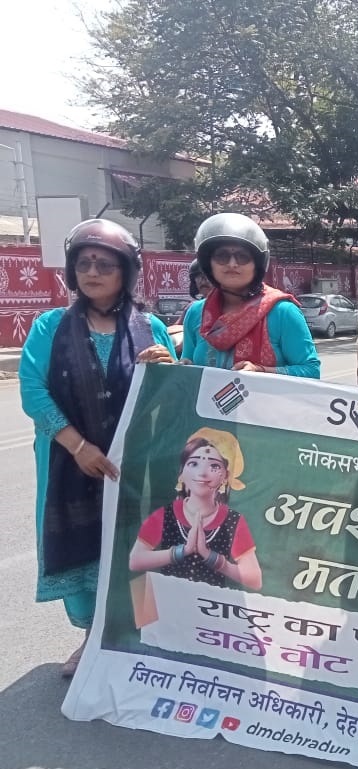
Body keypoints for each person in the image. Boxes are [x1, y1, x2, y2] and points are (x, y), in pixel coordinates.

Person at [19, 219, 177, 677]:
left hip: (136, 467)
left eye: (105, 264)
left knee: (138, 545)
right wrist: (78, 446)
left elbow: (174, 399)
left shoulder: (150, 328)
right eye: (84, 263)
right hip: (69, 462)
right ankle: (91, 638)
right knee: (83, 547)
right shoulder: (50, 327)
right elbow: (33, 390)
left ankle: (140, 635)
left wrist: (167, 368)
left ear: (126, 271)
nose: (92, 272)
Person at [181, 213, 319, 377]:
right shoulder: (196, 313)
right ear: (209, 264)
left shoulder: (282, 312)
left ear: (257, 264)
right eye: (222, 256)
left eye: (243, 257)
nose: (232, 264)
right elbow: (188, 363)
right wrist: (177, 366)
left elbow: (311, 371)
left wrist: (261, 371)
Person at [129, 428, 262, 590]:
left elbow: (255, 579)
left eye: (214, 466)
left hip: (210, 603)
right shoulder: (165, 515)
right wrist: (182, 551)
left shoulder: (233, 522)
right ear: (181, 472)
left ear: (226, 476)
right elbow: (135, 561)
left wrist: (210, 556)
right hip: (166, 599)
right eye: (194, 464)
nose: (202, 473)